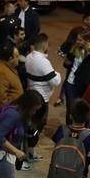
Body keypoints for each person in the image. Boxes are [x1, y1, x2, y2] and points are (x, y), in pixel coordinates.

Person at [25, 33, 62, 164]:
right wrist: (57, 73)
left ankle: (30, 152)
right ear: (45, 45)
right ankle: (29, 153)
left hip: (31, 93)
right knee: (36, 127)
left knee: (31, 125)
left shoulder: (29, 57)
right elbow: (56, 81)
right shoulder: (43, 62)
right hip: (41, 98)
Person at [0, 43, 23, 114]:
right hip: (2, 113)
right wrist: (16, 98)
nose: (19, 59)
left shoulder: (7, 67)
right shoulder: (1, 73)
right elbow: (0, 100)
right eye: (17, 56)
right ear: (10, 59)